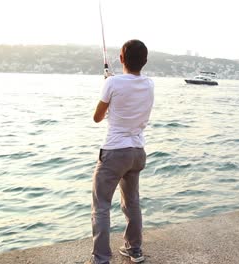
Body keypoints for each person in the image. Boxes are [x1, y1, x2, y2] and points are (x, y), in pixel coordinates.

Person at [90, 39, 154, 264]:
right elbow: (130, 90)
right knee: (132, 203)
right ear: (145, 61)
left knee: (101, 206)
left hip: (115, 152)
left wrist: (107, 84)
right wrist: (112, 83)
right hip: (137, 152)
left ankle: (101, 259)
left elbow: (97, 118)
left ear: (121, 58)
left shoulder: (112, 83)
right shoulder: (150, 84)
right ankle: (135, 250)